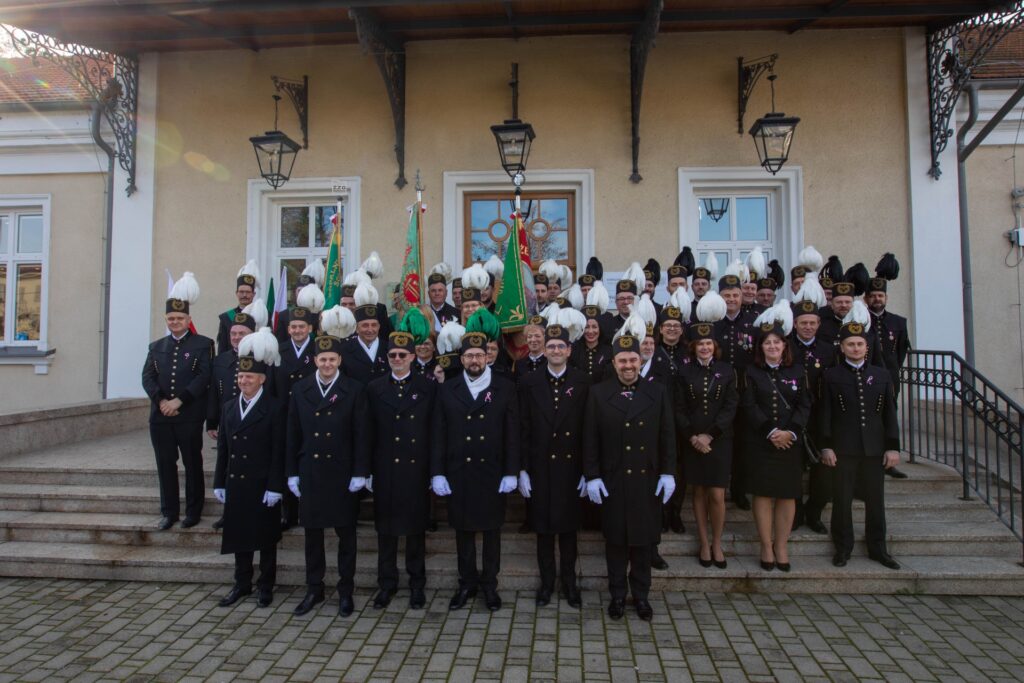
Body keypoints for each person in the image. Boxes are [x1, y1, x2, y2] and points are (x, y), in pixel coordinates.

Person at [583, 321, 676, 621]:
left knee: (643, 543)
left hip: (647, 479)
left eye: (633, 360)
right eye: (622, 360)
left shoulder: (657, 391)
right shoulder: (598, 393)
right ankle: (618, 596)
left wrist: (668, 472)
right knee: (616, 543)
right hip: (613, 479)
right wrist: (592, 475)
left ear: (641, 360)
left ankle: (642, 596)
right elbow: (590, 438)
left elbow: (667, 435)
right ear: (613, 363)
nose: (628, 365)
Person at [286, 306, 370, 617]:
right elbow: (292, 434)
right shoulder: (300, 389)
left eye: (332, 359)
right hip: (312, 471)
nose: (327, 364)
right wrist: (291, 473)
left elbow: (362, 434)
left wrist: (361, 471)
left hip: (343, 471)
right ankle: (314, 589)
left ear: (339, 361)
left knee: (346, 535)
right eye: (322, 359)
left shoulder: (353, 389)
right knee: (313, 535)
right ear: (314, 361)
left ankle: (345, 591)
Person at [431, 325, 520, 612]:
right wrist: (438, 472)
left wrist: (511, 471)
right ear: (461, 358)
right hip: (459, 470)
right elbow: (439, 432)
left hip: (492, 471)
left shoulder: (505, 387)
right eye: (468, 355)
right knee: (463, 531)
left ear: (487, 357)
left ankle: (489, 585)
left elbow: (512, 433)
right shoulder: (448, 389)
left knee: (492, 531)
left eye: (479, 355)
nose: (474, 361)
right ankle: (466, 582)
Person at [819, 306, 902, 571]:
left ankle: (878, 548)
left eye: (859, 344)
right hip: (843, 448)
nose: (855, 348)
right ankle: (843, 547)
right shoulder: (831, 376)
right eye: (850, 344)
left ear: (867, 347)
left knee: (875, 500)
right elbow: (826, 415)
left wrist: (892, 447)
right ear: (841, 347)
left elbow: (889, 414)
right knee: (842, 499)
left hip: (874, 448)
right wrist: (826, 445)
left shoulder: (881, 375)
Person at [366, 315, 436, 610]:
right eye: (393, 354)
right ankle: (387, 584)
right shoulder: (374, 388)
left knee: (416, 531)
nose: (397, 359)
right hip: (385, 468)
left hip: (416, 468)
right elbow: (366, 431)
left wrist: (435, 471)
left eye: (403, 355)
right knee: (386, 532)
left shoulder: (428, 387)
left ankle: (416, 584)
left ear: (412, 356)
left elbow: (435, 431)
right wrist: (366, 469)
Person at [213, 328, 285, 608]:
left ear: (262, 380)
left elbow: (279, 450)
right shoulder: (230, 407)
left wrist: (276, 485)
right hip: (237, 481)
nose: (244, 381)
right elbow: (223, 449)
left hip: (263, 481)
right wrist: (220, 481)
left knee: (266, 539)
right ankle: (241, 583)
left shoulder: (275, 407)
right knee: (239, 535)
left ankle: (266, 585)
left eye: (249, 377)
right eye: (241, 377)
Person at [518, 323, 589, 608]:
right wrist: (522, 468)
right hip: (540, 466)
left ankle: (569, 583)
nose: (556, 350)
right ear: (544, 350)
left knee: (569, 530)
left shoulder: (583, 381)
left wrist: (589, 470)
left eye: (561, 346)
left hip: (571, 467)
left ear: (569, 351)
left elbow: (588, 428)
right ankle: (547, 583)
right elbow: (522, 427)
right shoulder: (529, 382)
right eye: (552, 346)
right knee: (544, 529)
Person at [141, 273, 214, 531]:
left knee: (192, 463)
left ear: (188, 320)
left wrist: (179, 401)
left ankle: (193, 511)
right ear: (166, 320)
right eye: (171, 319)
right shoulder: (156, 346)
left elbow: (203, 376)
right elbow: (147, 377)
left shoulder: (203, 344)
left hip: (189, 415)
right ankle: (169, 512)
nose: (175, 322)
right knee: (165, 464)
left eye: (180, 318)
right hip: (160, 417)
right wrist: (162, 401)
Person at [742, 306, 812, 573]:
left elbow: (804, 405)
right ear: (761, 347)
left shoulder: (797, 371)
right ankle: (766, 545)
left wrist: (790, 432)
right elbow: (749, 406)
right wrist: (771, 432)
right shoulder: (751, 372)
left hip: (790, 443)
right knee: (762, 494)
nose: (772, 346)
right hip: (762, 442)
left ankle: (782, 545)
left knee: (787, 495)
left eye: (776, 342)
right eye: (767, 343)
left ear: (785, 346)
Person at [675, 293, 737, 570]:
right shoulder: (684, 372)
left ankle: (717, 543)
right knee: (698, 492)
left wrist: (710, 435)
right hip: (693, 441)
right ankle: (703, 541)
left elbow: (730, 406)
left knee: (717, 494)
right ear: (693, 347)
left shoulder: (727, 371)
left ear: (715, 345)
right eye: (700, 343)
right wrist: (693, 437)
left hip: (718, 441)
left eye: (708, 343)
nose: (705, 348)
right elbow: (679, 407)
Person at [273, 285, 322, 530]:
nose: (297, 330)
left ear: (310, 328)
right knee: (287, 461)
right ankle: (288, 512)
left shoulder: (318, 351)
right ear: (288, 328)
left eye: (302, 327)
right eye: (293, 327)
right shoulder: (278, 352)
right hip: (285, 414)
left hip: (311, 415)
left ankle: (310, 510)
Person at [788, 291, 836, 535]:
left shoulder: (828, 351)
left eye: (812, 322)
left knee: (824, 470)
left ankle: (815, 512)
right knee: (793, 467)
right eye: (803, 322)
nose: (808, 327)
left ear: (819, 324)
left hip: (820, 415)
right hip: (792, 415)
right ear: (795, 323)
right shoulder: (785, 346)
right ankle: (795, 513)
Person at [713, 273, 757, 511]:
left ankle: (739, 490)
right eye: (726, 295)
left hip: (743, 393)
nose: (731, 299)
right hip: (716, 394)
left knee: (742, 443)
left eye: (735, 295)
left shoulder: (753, 323)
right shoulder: (712, 324)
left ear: (743, 296)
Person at [867, 254, 912, 480]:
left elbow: (901, 351)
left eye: (880, 295)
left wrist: (891, 372)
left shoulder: (898, 322)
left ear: (886, 297)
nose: (877, 299)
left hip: (890, 377)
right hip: (868, 377)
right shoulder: (861, 320)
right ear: (866, 298)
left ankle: (890, 460)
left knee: (889, 417)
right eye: (873, 295)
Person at [341, 296, 389, 385]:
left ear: (379, 327)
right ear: (356, 328)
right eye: (365, 325)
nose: (370, 330)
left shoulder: (389, 349)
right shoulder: (344, 350)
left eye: (374, 325)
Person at [216, 261, 258, 355]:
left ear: (253, 294)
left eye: (248, 292)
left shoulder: (264, 315)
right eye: (241, 292)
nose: (244, 295)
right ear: (236, 293)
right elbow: (222, 347)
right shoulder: (226, 317)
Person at [571, 305, 612, 381]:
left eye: (594, 327)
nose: (590, 331)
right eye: (587, 327)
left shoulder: (609, 352)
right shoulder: (573, 351)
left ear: (600, 329)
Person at [426, 263, 460, 331]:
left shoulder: (456, 313)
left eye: (440, 290)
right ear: (428, 293)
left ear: (446, 293)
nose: (437, 293)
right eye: (433, 291)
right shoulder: (424, 313)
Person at [514, 317, 547, 381]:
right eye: (530, 336)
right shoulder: (519, 364)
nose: (533, 340)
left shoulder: (551, 362)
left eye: (537, 336)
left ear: (545, 338)